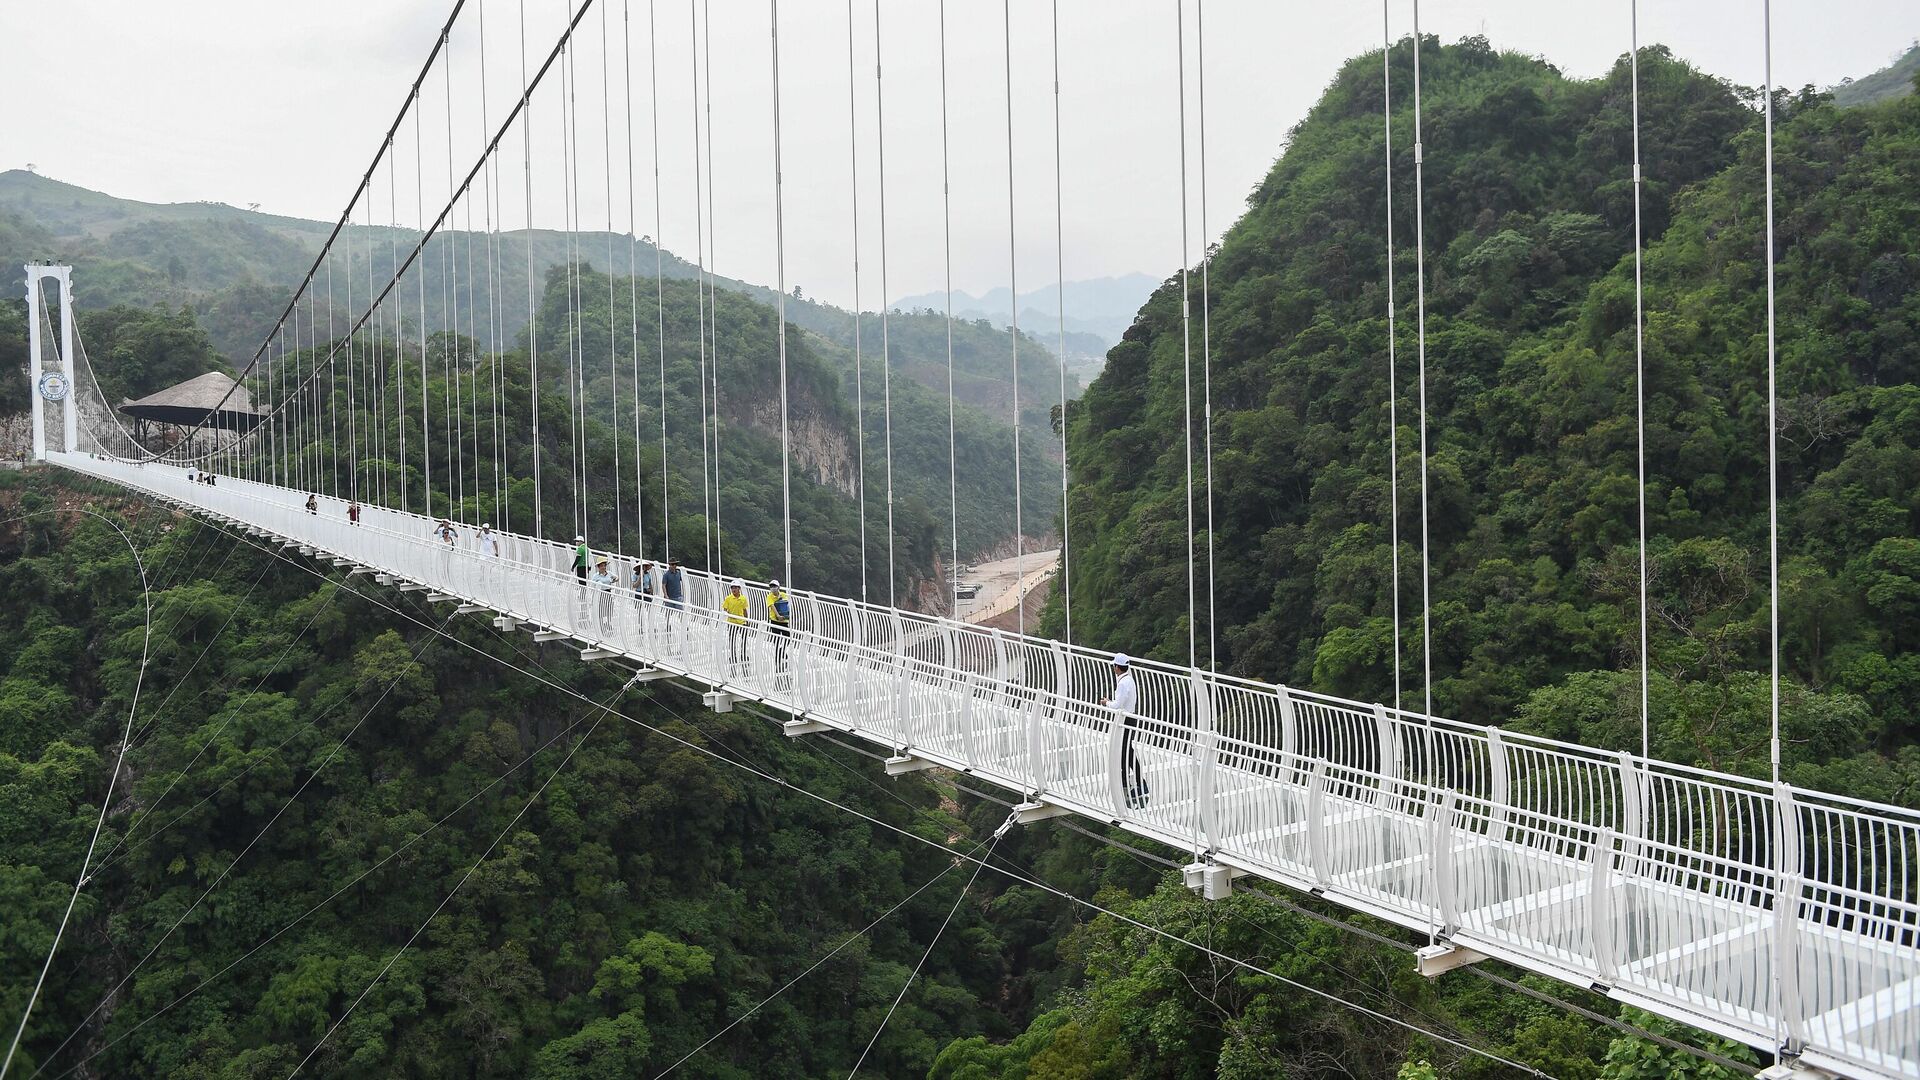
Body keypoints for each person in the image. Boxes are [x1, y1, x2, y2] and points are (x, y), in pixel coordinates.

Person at [1099, 653, 1149, 809]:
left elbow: (1117, 705)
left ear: (1117, 667)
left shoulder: (1122, 684)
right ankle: (1131, 782)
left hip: (1124, 720)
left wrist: (1106, 703)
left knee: (1125, 751)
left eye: (1114, 665)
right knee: (1126, 750)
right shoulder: (1129, 680)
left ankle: (1131, 783)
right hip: (1130, 717)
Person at [722, 578, 751, 671]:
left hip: (741, 622)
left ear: (739, 589)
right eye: (732, 588)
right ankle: (733, 654)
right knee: (732, 639)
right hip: (732, 622)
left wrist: (747, 620)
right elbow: (725, 609)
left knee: (744, 639)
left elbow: (744, 610)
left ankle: (743, 653)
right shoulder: (728, 598)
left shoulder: (743, 598)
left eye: (736, 588)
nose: (734, 589)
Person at [765, 577, 792, 673]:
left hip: (784, 621)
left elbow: (786, 604)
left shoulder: (783, 595)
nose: (773, 588)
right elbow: (772, 606)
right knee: (776, 640)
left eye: (774, 586)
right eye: (771, 586)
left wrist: (786, 615)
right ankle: (777, 656)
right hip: (775, 620)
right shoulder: (769, 596)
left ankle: (782, 651)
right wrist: (778, 615)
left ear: (778, 587)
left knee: (787, 637)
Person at [590, 558, 618, 637]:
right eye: (602, 566)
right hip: (600, 594)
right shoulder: (596, 576)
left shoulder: (609, 573)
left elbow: (616, 577)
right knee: (601, 612)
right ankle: (601, 626)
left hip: (608, 593)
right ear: (598, 567)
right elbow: (592, 585)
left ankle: (609, 624)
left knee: (609, 610)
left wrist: (613, 581)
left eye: (604, 565)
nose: (603, 567)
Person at [662, 558, 685, 633]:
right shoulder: (666, 575)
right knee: (668, 613)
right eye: (672, 564)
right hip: (670, 597)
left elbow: (682, 581)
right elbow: (663, 585)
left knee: (681, 612)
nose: (674, 566)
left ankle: (684, 627)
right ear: (669, 565)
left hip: (678, 596)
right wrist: (666, 595)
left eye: (675, 564)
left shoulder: (679, 573)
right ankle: (668, 626)